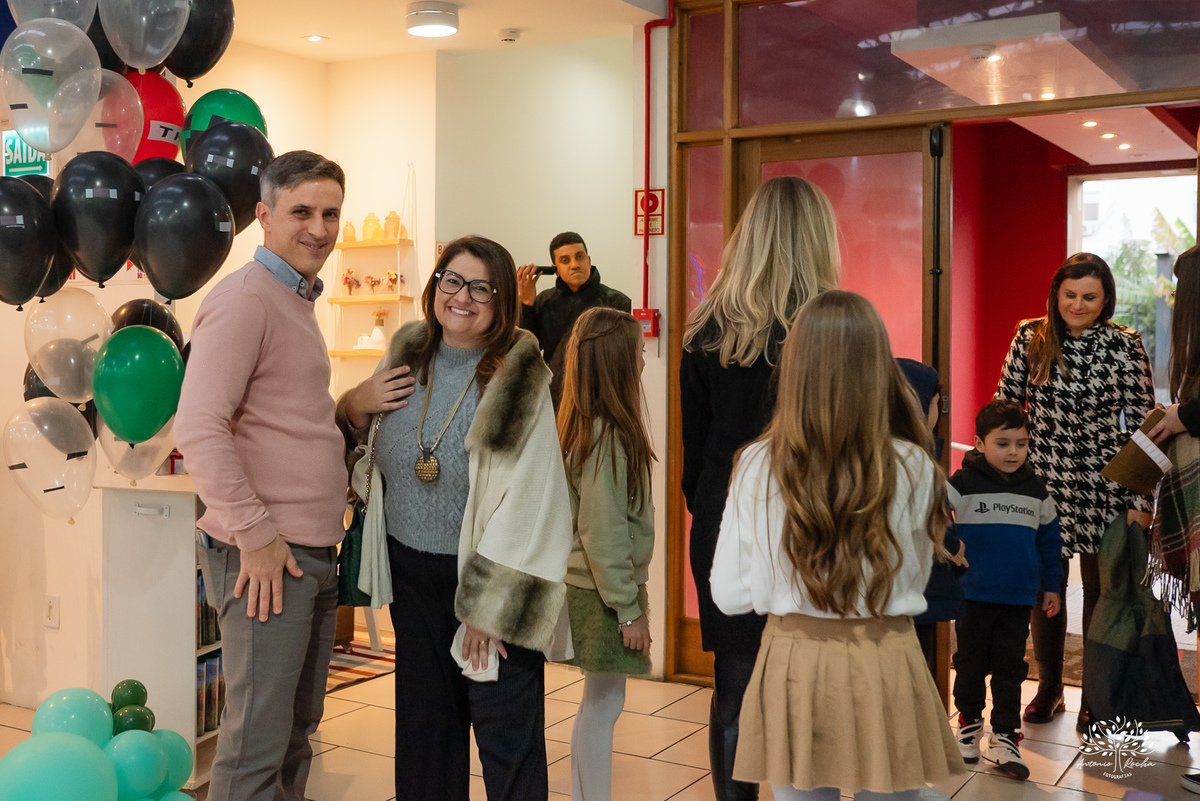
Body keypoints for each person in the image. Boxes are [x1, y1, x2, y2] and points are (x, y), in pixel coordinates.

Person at [177, 151, 416, 801]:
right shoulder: (246, 299)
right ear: (264, 217)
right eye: (301, 211)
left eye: (331, 212)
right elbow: (197, 425)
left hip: (310, 548)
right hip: (266, 555)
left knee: (294, 734)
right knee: (256, 742)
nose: (319, 227)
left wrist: (351, 409)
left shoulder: (296, 300)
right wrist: (255, 534)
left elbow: (284, 424)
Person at [337, 235, 573, 801]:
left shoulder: (519, 372)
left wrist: (489, 608)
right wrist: (353, 403)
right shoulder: (407, 349)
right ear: (434, 284)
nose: (461, 296)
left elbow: (533, 499)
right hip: (413, 576)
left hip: (489, 582)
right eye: (451, 279)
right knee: (425, 740)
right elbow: (362, 440)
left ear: (502, 302)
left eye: (481, 288)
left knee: (506, 741)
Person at [711, 290, 965, 801]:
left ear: (795, 366)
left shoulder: (758, 463)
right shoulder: (915, 465)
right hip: (886, 654)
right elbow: (915, 578)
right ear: (879, 366)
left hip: (792, 658)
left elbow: (729, 595)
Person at [680, 175, 839, 801]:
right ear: (817, 238)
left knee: (736, 685)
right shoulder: (834, 326)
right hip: (814, 514)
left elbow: (694, 461)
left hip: (727, 517)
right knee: (816, 684)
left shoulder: (705, 331)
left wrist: (719, 507)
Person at [995, 252, 1154, 732]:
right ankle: (1048, 688)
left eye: (1089, 296)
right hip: (1043, 480)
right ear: (1056, 294)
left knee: (1105, 594)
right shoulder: (1031, 335)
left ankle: (1097, 695)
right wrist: (999, 474)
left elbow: (1146, 423)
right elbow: (1004, 405)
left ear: (1105, 298)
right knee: (1046, 588)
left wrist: (1141, 501)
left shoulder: (1124, 343)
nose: (1078, 304)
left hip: (1109, 481)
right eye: (1070, 295)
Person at [556, 307, 656, 801]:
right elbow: (604, 535)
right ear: (618, 361)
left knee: (596, 702)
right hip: (601, 593)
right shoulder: (610, 438)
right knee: (605, 705)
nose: (643, 357)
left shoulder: (588, 426)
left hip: (594, 589)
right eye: (637, 350)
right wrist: (628, 610)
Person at [949, 399, 1062, 781]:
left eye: (1021, 443)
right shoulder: (961, 483)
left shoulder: (1036, 489)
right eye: (1003, 443)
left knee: (1010, 668)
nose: (1013, 451)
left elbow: (1050, 543)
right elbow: (928, 515)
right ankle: (968, 725)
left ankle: (1003, 735)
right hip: (972, 595)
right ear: (979, 444)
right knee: (969, 664)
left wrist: (1052, 587)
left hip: (1017, 597)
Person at [897, 358, 966, 673]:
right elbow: (929, 520)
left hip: (901, 592)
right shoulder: (915, 461)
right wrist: (952, 545)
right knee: (914, 668)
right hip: (914, 589)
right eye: (938, 403)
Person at [516, 232, 632, 405]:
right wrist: (526, 303)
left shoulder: (616, 302)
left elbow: (628, 358)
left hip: (604, 402)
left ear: (589, 260)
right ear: (555, 268)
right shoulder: (544, 302)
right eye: (565, 260)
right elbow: (526, 350)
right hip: (555, 400)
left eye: (579, 257)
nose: (575, 265)